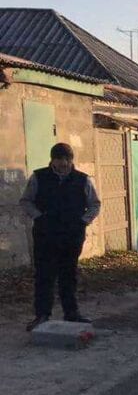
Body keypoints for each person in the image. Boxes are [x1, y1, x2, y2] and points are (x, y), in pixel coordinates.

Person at [19, 142, 101, 331]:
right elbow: (26, 201)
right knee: (44, 275)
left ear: (71, 160)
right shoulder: (39, 177)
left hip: (72, 235)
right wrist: (39, 217)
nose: (64, 163)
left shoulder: (82, 180)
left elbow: (95, 204)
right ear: (52, 160)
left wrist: (83, 221)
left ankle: (71, 313)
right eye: (60, 159)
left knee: (68, 274)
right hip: (45, 235)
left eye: (67, 159)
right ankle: (42, 315)